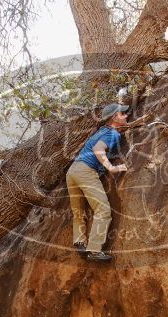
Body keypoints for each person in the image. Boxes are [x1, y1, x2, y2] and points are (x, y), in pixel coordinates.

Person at [66, 102, 129, 262]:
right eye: (122, 114)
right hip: (86, 171)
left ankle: (79, 242)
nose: (126, 115)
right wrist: (111, 167)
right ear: (114, 117)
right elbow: (98, 149)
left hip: (73, 171)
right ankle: (94, 250)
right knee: (103, 210)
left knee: (78, 210)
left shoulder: (102, 131)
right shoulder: (112, 134)